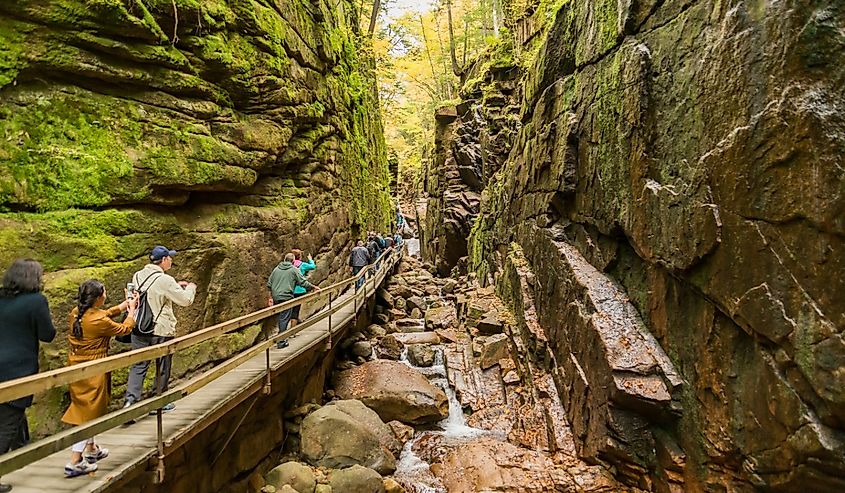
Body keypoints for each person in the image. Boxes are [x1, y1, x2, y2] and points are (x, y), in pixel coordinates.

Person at [62, 280, 138, 478]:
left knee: (88, 408)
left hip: (77, 366)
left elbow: (103, 314)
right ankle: (75, 461)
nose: (105, 296)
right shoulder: (97, 321)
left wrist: (123, 305)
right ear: (98, 298)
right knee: (87, 415)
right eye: (104, 293)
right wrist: (131, 313)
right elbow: (124, 329)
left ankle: (92, 449)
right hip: (93, 369)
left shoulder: (76, 313)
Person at [0, 259, 55, 491]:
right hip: (17, 370)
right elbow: (47, 334)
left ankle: (25, 450)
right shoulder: (36, 301)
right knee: (7, 423)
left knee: (12, 418)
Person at [124, 246, 196, 413]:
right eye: (169, 258)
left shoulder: (137, 275)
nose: (171, 260)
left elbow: (149, 294)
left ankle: (130, 402)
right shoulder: (165, 280)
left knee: (138, 365)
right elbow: (186, 300)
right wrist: (191, 287)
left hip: (139, 327)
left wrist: (173, 286)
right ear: (163, 260)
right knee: (162, 365)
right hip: (160, 329)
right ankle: (159, 401)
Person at [267, 253, 320, 349]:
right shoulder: (293, 269)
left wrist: (270, 298)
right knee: (284, 318)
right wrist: (313, 287)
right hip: (286, 296)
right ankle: (281, 341)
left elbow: (269, 284)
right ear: (293, 261)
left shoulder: (276, 269)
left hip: (276, 297)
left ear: (284, 260)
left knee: (281, 317)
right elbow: (302, 282)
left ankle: (281, 337)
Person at [290, 250, 316, 328]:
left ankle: (295, 322)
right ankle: (292, 331)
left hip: (290, 290)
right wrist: (310, 259)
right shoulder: (302, 265)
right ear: (300, 256)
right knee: (295, 310)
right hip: (300, 290)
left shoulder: (289, 265)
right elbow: (312, 266)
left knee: (290, 309)